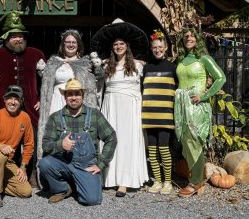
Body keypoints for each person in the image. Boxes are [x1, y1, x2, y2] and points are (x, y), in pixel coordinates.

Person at [0, 11, 45, 186]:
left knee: (30, 140)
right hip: (3, 107)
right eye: (14, 36)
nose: (18, 39)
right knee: (4, 140)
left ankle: (31, 173)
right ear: (6, 37)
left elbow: (46, 79)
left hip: (31, 107)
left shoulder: (36, 54)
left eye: (21, 36)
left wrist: (41, 97)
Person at [91, 18, 149, 197]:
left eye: (121, 43)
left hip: (130, 107)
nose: (118, 46)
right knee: (110, 140)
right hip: (111, 106)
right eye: (115, 44)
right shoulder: (106, 65)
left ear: (127, 46)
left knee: (128, 141)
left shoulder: (139, 66)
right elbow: (97, 87)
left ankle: (125, 180)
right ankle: (109, 178)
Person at [38, 78, 117, 205]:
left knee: (92, 200)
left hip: (86, 167)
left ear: (82, 96)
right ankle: (62, 188)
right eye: (70, 94)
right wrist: (61, 145)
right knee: (45, 163)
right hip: (64, 163)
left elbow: (111, 138)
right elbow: (45, 145)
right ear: (65, 96)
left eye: (77, 94)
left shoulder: (95, 115)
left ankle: (78, 185)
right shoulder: (55, 118)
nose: (73, 98)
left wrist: (101, 164)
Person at [37, 29, 103, 168]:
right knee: (56, 132)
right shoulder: (53, 62)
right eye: (68, 42)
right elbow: (47, 83)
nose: (71, 44)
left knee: (76, 132)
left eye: (74, 42)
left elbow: (97, 79)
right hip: (56, 100)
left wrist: (98, 69)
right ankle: (55, 169)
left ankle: (78, 166)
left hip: (75, 100)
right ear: (63, 44)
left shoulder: (85, 63)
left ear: (78, 44)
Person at [175, 27, 226, 197]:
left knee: (193, 141)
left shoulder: (204, 58)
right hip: (182, 106)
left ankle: (196, 182)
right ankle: (197, 177)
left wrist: (206, 96)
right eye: (185, 36)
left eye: (192, 35)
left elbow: (221, 78)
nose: (188, 38)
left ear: (197, 39)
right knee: (185, 142)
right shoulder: (181, 60)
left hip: (196, 106)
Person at [142, 30, 177, 195]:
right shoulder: (146, 67)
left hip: (165, 115)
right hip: (148, 115)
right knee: (152, 150)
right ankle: (157, 181)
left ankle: (168, 182)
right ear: (151, 48)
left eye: (160, 47)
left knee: (164, 148)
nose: (157, 50)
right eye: (154, 47)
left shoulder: (173, 67)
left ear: (166, 47)